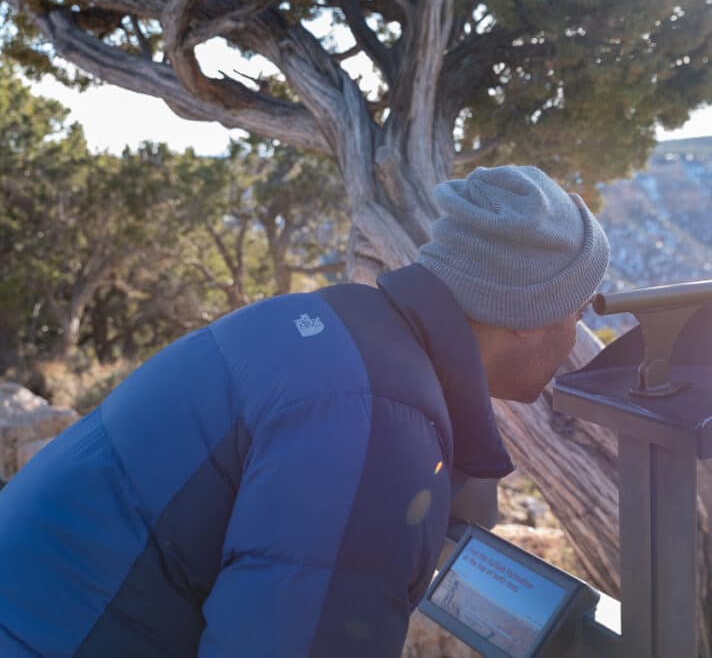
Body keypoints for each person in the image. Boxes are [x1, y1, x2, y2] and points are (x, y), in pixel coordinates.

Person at [0, 165, 610, 657]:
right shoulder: (382, 423)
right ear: (528, 316)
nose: (577, 331)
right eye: (577, 308)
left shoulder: (331, 328)